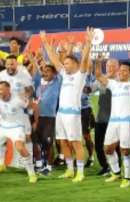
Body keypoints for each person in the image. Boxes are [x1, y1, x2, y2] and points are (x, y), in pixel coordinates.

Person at [40, 27, 93, 182]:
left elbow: (84, 60)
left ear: (75, 64)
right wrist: (45, 43)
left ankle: (80, 172)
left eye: (68, 63)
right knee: (63, 141)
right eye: (65, 63)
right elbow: (54, 59)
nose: (65, 65)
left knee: (76, 142)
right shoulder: (64, 74)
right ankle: (70, 170)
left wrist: (88, 44)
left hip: (72, 114)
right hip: (61, 113)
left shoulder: (80, 75)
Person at [95, 51, 130, 188]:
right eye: (121, 70)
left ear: (129, 73)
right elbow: (99, 75)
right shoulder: (113, 84)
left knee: (126, 151)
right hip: (113, 122)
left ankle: (127, 177)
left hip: (126, 122)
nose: (121, 72)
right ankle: (116, 172)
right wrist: (99, 61)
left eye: (125, 70)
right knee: (107, 149)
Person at [0, 81, 38, 183]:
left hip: (17, 128)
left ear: (8, 90)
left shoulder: (18, 100)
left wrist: (35, 121)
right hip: (2, 128)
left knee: (20, 148)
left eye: (1, 89)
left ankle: (32, 174)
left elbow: (34, 107)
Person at [0, 55, 36, 174]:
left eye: (12, 64)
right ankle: (1, 164)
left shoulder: (24, 75)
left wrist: (27, 96)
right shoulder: (0, 75)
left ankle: (28, 163)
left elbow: (30, 89)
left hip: (20, 111)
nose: (9, 66)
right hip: (4, 111)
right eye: (7, 64)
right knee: (1, 138)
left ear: (16, 64)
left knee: (27, 138)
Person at [93, 58, 120, 176]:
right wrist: (104, 78)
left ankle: (117, 168)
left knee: (115, 145)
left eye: (113, 66)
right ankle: (105, 166)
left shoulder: (121, 81)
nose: (110, 68)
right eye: (108, 65)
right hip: (100, 118)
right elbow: (91, 89)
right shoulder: (102, 80)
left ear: (117, 67)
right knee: (98, 145)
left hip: (114, 119)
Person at [34, 64, 62, 175]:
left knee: (48, 143)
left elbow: (60, 70)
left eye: (48, 71)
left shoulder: (57, 82)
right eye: (44, 71)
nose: (45, 73)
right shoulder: (39, 84)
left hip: (49, 117)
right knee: (37, 141)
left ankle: (49, 167)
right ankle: (40, 164)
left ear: (54, 73)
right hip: (37, 117)